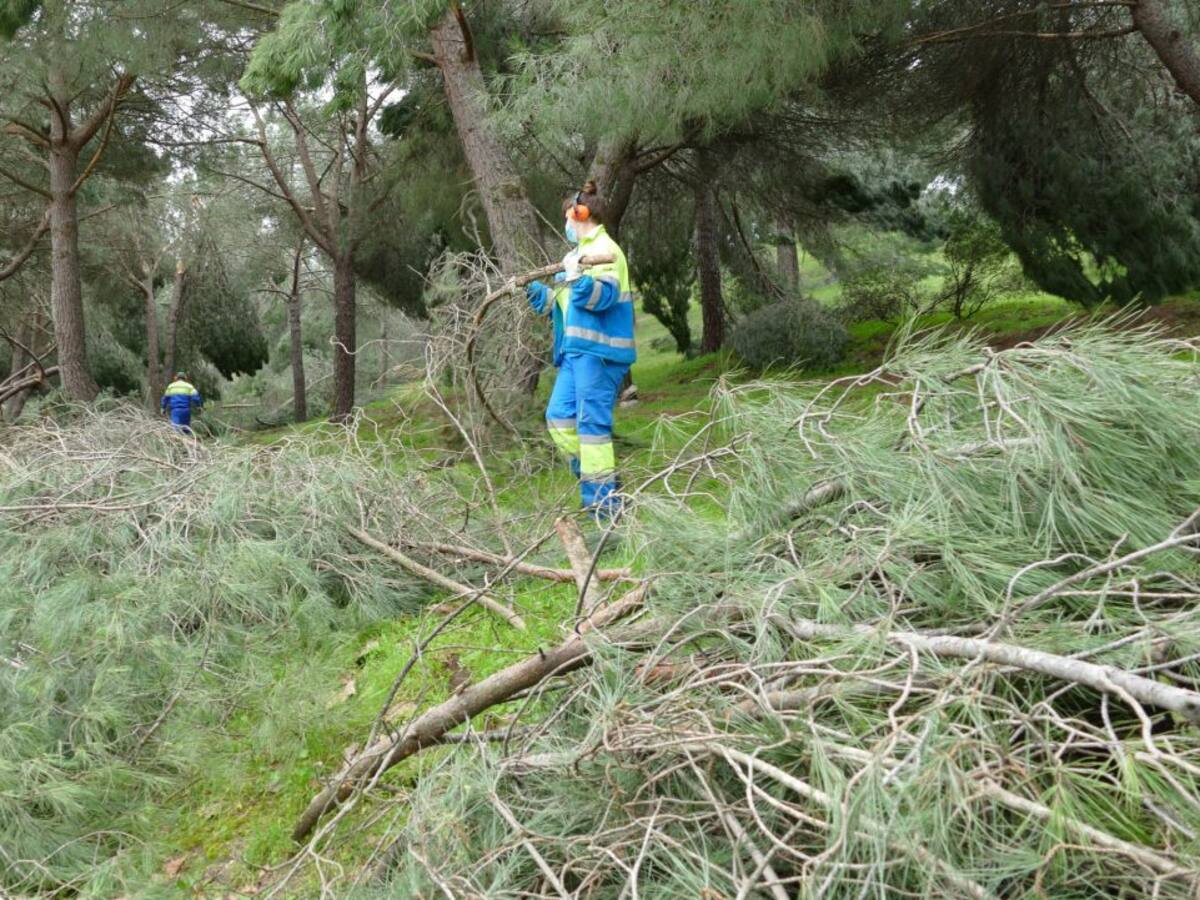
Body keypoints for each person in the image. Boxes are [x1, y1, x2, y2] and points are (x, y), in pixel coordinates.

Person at [526, 181, 635, 516]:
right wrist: (543, 295)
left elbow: (603, 296)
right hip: (576, 354)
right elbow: (566, 303)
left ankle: (604, 509)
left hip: (599, 354)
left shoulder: (606, 250)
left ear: (580, 214)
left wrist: (578, 278)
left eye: (567, 218)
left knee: (592, 430)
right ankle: (603, 485)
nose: (565, 226)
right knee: (559, 420)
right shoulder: (574, 256)